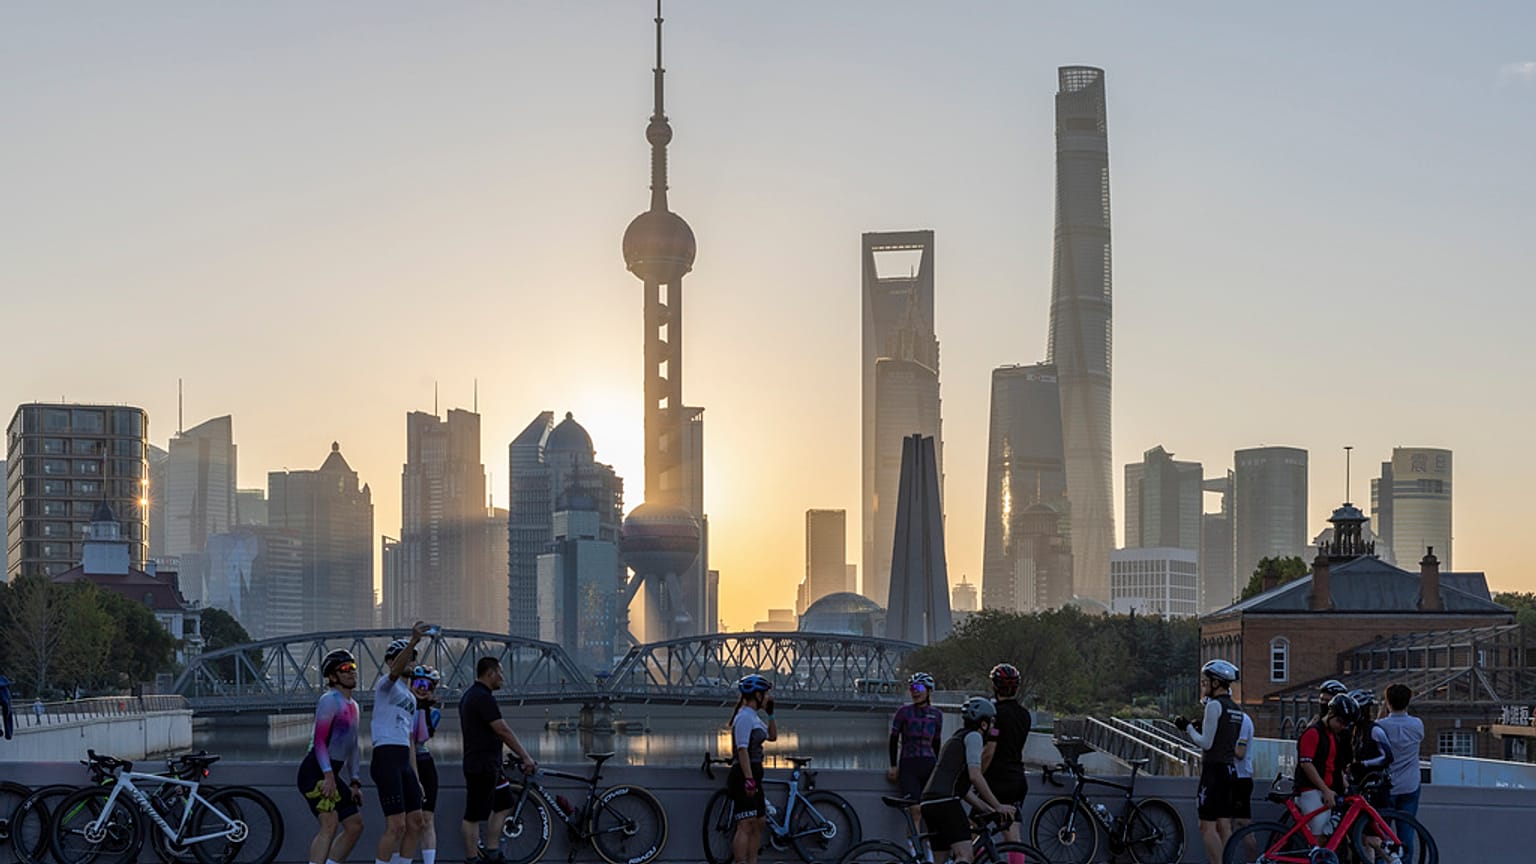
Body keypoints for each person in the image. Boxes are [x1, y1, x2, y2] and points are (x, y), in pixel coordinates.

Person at [459, 656, 538, 864]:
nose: (503, 677)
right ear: (490, 673)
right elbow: (502, 730)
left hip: (490, 766)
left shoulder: (471, 695)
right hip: (481, 766)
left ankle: (493, 853)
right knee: (473, 816)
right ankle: (472, 859)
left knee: (504, 803)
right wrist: (525, 756)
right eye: (500, 673)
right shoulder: (482, 697)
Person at [920, 697, 1014, 864]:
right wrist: (998, 806)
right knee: (965, 856)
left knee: (940, 860)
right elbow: (975, 776)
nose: (992, 727)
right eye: (991, 723)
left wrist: (989, 809)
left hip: (929, 803)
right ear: (983, 724)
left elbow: (962, 789)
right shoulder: (974, 737)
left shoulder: (956, 738)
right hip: (947, 803)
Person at [297, 648, 365, 864]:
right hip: (315, 770)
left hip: (332, 772)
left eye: (353, 667)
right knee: (330, 823)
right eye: (345, 669)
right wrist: (328, 775)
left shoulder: (353, 706)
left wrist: (354, 781)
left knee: (355, 825)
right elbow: (319, 742)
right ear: (333, 676)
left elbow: (353, 747)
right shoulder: (329, 700)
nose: (351, 672)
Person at [1176, 659, 1245, 864]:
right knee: (1224, 825)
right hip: (1230, 770)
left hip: (1213, 771)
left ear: (1216, 683)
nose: (1203, 686)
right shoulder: (1235, 708)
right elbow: (1224, 739)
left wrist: (1188, 727)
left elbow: (1206, 743)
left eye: (1206, 682)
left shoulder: (1214, 705)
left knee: (1206, 826)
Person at [372, 623, 430, 864]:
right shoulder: (386, 685)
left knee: (416, 822)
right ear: (389, 662)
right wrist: (413, 642)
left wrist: (416, 778)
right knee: (395, 826)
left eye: (413, 658)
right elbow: (396, 671)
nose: (410, 661)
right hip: (385, 757)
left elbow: (409, 740)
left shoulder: (411, 698)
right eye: (404, 658)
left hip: (404, 760)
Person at [979, 663, 1032, 858]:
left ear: (994, 686)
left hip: (996, 779)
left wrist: (977, 775)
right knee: (1013, 837)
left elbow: (989, 751)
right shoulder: (1024, 715)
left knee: (973, 830)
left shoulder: (994, 714)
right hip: (1017, 780)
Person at [888, 671, 942, 852]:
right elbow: (893, 739)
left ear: (928, 690)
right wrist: (893, 765)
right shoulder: (904, 712)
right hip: (909, 765)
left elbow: (937, 743)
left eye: (918, 688)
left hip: (929, 765)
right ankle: (914, 852)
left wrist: (939, 768)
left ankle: (931, 854)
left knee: (932, 812)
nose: (914, 692)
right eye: (912, 688)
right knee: (915, 811)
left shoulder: (936, 715)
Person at [728, 674, 778, 864]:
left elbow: (772, 737)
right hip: (743, 775)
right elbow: (742, 750)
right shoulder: (744, 717)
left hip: (755, 774)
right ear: (757, 695)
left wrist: (771, 714)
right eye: (765, 694)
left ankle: (753, 861)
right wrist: (749, 780)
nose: (767, 697)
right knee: (745, 824)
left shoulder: (754, 718)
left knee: (759, 822)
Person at [1296, 693, 1356, 840]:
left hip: (1326, 790)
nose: (1342, 727)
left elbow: (1333, 763)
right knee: (1320, 835)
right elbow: (1306, 764)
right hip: (1310, 789)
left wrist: (1343, 782)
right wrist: (1325, 790)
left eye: (1346, 724)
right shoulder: (1313, 733)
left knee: (1332, 833)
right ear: (1330, 714)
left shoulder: (1332, 734)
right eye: (1340, 722)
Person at [1376, 683, 1425, 862]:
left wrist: (1383, 707)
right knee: (1406, 833)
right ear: (1408, 701)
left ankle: (1382, 861)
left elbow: (1375, 731)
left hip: (1387, 786)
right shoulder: (1417, 724)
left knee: (1382, 833)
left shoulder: (1381, 726)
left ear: (1388, 702)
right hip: (1410, 785)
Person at [402, 666, 443, 864]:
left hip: (425, 764)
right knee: (404, 822)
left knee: (427, 820)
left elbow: (420, 735)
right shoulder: (403, 706)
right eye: (419, 683)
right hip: (404, 764)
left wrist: (422, 707)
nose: (423, 688)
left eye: (428, 686)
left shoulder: (433, 712)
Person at [1316, 679, 1352, 796]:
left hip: (1337, 779)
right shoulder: (1315, 726)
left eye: (1326, 701)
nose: (1323, 704)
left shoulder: (1344, 730)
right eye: (1321, 700)